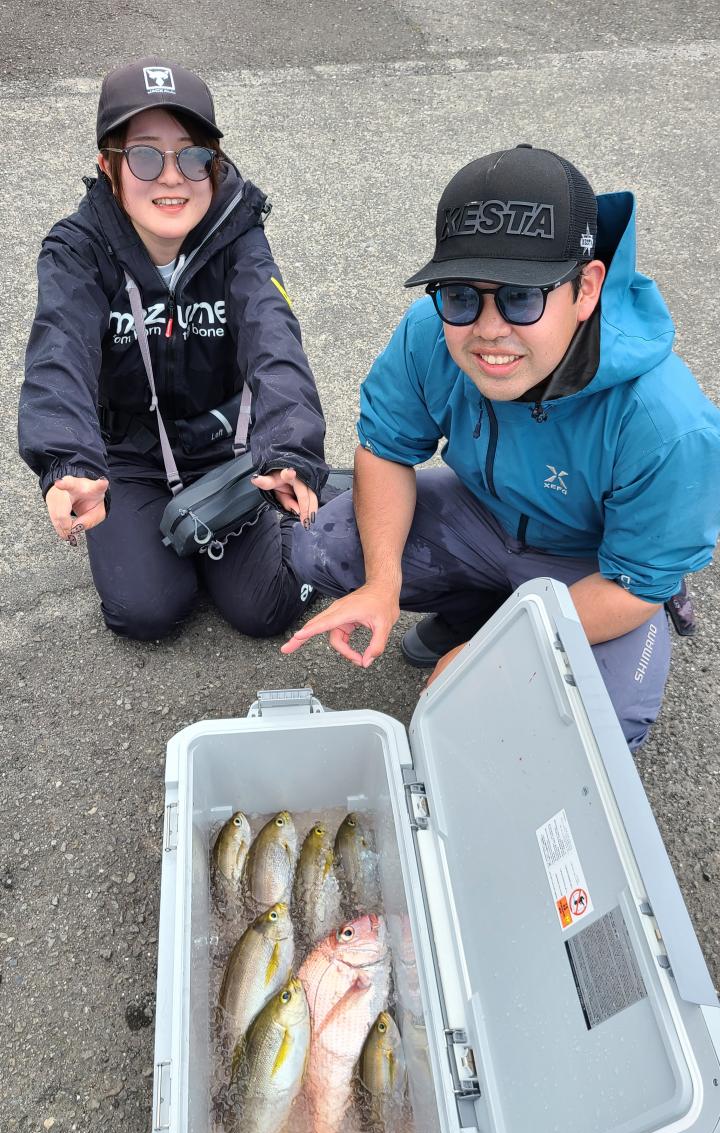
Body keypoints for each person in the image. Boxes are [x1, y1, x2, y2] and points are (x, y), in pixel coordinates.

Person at [282, 145, 720, 749]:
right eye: (462, 295)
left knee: (599, 728)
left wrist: (490, 656)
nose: (488, 329)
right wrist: (382, 583)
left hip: (594, 566)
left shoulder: (669, 426)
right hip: (485, 517)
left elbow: (632, 588)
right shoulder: (429, 332)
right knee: (321, 547)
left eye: (522, 295)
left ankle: (499, 623)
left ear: (586, 289)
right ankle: (476, 608)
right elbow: (385, 450)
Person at [18, 58, 336, 641]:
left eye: (192, 156)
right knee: (146, 613)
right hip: (130, 453)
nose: (171, 177)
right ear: (107, 165)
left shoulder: (239, 234)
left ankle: (332, 498)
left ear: (214, 165)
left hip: (227, 446)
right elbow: (59, 352)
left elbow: (274, 337)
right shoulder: (77, 250)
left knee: (262, 610)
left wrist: (290, 448)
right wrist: (68, 461)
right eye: (144, 155)